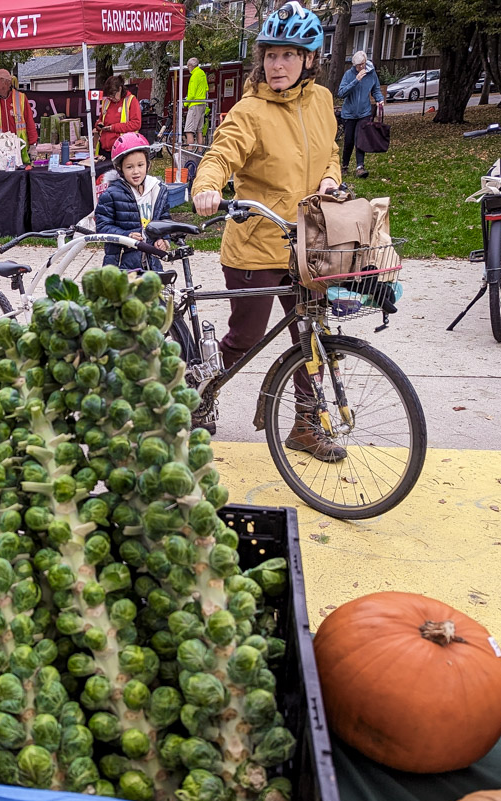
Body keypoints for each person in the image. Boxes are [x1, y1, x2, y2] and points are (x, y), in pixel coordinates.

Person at [192, 1, 345, 460]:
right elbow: (220, 155)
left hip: (307, 244)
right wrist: (206, 188)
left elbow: (330, 150)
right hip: (256, 245)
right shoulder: (249, 110)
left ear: (310, 59)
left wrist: (331, 177)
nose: (277, 65)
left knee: (311, 336)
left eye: (289, 55)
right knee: (246, 338)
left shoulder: (320, 101)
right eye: (271, 55)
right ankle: (200, 391)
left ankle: (304, 424)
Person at [96, 133, 170, 271]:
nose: (136, 171)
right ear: (120, 169)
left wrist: (164, 239)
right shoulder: (112, 194)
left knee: (155, 291)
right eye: (129, 167)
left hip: (152, 261)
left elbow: (165, 220)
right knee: (125, 292)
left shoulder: (157, 190)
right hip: (121, 262)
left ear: (148, 165)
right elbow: (102, 226)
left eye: (140, 165)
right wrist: (126, 236)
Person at [337, 50, 383, 179]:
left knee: (360, 140)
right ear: (354, 65)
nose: (361, 67)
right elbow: (341, 93)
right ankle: (344, 166)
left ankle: (360, 167)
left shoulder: (371, 74)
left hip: (364, 113)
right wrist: (356, 80)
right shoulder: (348, 75)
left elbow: (376, 89)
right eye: (358, 65)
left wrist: (380, 99)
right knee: (349, 141)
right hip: (349, 114)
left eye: (363, 64)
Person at [0, 69, 38, 165]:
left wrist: (33, 145)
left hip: (20, 149)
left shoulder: (21, 98)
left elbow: (30, 122)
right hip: (0, 151)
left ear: (6, 83)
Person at [95, 75, 141, 158]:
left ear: (120, 89)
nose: (111, 98)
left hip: (123, 149)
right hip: (105, 149)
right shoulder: (106, 102)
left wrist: (113, 127)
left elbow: (136, 124)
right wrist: (99, 125)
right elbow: (100, 120)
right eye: (109, 96)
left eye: (113, 95)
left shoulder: (131, 100)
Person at [184, 57, 209, 145]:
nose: (188, 69)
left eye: (188, 66)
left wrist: (185, 103)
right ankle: (200, 150)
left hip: (194, 104)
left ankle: (190, 152)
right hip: (203, 103)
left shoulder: (194, 76)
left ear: (191, 66)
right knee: (199, 130)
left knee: (189, 130)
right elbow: (206, 88)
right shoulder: (202, 73)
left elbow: (192, 93)